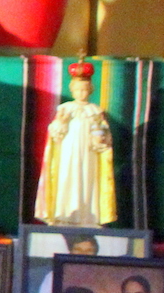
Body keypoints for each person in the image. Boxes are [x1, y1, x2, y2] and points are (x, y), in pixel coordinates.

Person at [34, 61, 116, 225]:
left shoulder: (95, 111)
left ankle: (88, 217)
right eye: (78, 90)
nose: (81, 93)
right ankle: (64, 215)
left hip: (88, 153)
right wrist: (61, 123)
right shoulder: (65, 109)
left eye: (85, 89)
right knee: (66, 179)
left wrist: (101, 137)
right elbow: (55, 132)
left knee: (88, 179)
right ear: (72, 90)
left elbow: (104, 133)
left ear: (90, 90)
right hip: (68, 152)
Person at [26, 234, 99, 293]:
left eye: (89, 250)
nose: (83, 254)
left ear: (95, 254)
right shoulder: (54, 275)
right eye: (78, 249)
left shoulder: (104, 277)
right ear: (71, 253)